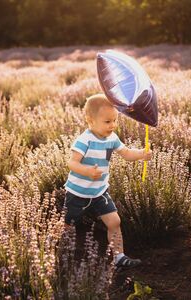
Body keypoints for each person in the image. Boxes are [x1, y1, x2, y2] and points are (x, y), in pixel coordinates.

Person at [64, 93, 152, 270]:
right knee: (68, 223)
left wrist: (142, 154)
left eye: (114, 120)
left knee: (114, 221)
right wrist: (87, 171)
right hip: (78, 192)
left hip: (100, 191)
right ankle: (61, 250)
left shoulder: (112, 138)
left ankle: (119, 256)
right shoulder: (85, 139)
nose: (112, 125)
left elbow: (126, 154)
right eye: (107, 122)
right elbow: (72, 163)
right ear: (90, 120)